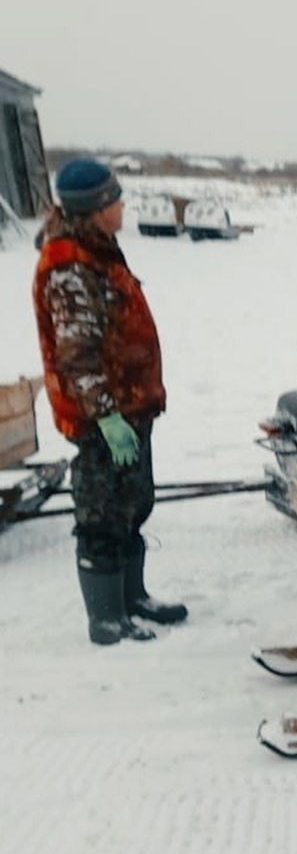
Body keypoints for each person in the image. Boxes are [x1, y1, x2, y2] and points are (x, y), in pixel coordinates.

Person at [33, 158, 187, 645]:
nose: (122, 206)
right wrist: (105, 416)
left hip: (130, 406)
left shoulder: (98, 251)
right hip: (103, 417)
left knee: (132, 504)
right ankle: (106, 619)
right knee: (101, 513)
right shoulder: (72, 267)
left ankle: (130, 597)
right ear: (96, 209)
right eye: (114, 199)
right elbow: (76, 355)